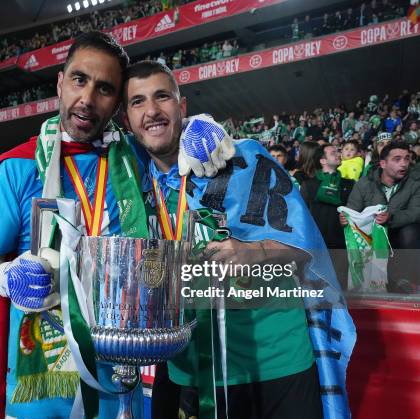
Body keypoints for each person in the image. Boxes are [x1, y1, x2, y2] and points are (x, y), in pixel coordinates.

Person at [0, 32, 225, 419]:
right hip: (41, 390)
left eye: (104, 89)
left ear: (116, 102)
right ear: (60, 83)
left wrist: (201, 128)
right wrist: (5, 277)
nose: (87, 98)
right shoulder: (16, 167)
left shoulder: (136, 159)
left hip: (121, 382)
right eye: (79, 80)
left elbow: (170, 138)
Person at [121, 60, 355, 419]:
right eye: (137, 101)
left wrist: (257, 250)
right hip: (190, 364)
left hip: (275, 361)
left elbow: (307, 250)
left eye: (162, 96)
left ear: (182, 107)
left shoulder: (242, 155)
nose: (151, 111)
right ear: (126, 119)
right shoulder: (131, 183)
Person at [343, 142, 420, 292]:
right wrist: (345, 219)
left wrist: (390, 218)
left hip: (397, 236)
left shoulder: (415, 182)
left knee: (411, 231)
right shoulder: (364, 183)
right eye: (397, 159)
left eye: (406, 158)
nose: (404, 164)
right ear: (383, 163)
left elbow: (416, 212)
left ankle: (409, 281)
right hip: (370, 236)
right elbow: (352, 210)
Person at [301, 145, 355, 288]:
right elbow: (303, 215)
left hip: (340, 243)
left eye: (338, 151)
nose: (338, 154)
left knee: (339, 287)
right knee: (315, 287)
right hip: (316, 244)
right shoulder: (309, 185)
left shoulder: (348, 184)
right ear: (323, 161)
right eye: (333, 152)